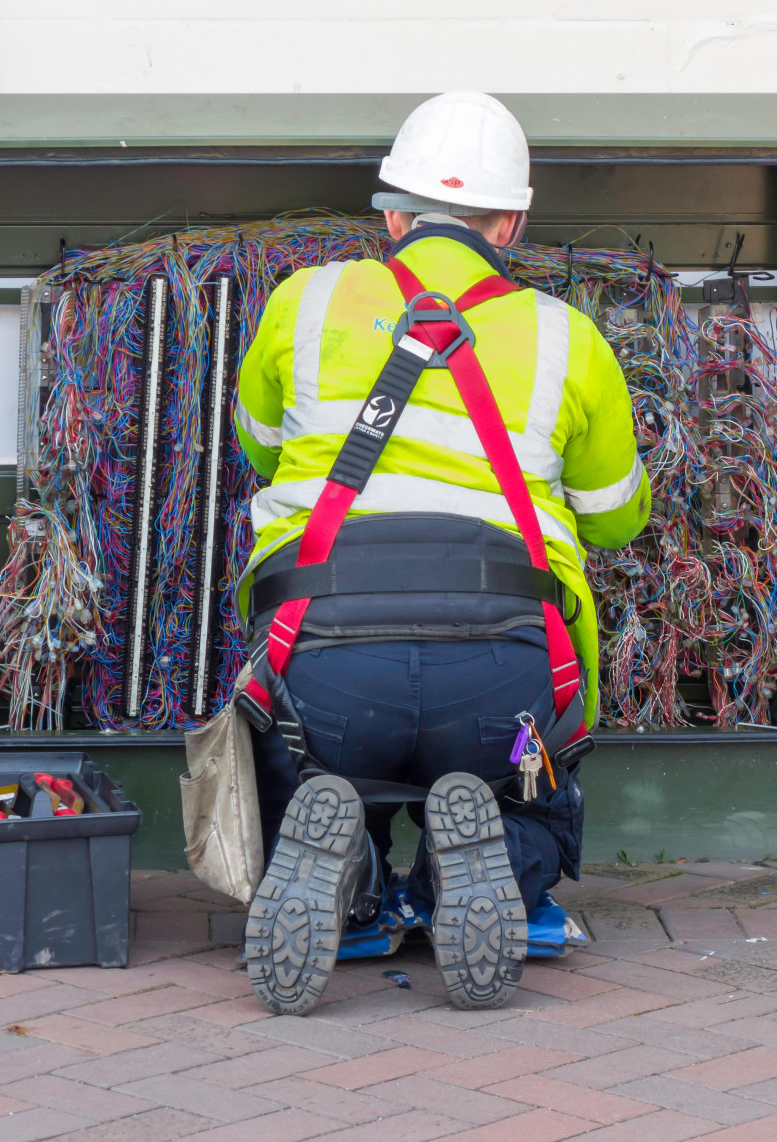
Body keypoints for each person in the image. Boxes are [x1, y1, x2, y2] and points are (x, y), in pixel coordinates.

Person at [231, 91, 649, 1015]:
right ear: (513, 221)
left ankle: (358, 885)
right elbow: (618, 518)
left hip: (326, 662)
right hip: (501, 673)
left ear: (390, 215)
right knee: (534, 790)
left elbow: (258, 445)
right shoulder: (565, 338)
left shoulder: (304, 304)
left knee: (292, 761)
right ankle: (489, 865)